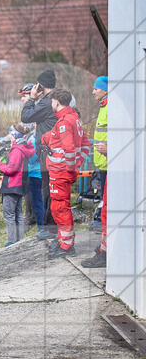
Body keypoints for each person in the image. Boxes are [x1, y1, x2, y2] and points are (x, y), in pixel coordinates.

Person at [41, 88, 91, 259]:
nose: (50, 104)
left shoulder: (64, 122)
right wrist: (77, 164)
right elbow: (85, 145)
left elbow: (69, 149)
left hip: (60, 173)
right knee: (59, 208)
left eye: (51, 101)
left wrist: (70, 167)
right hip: (63, 172)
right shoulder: (73, 119)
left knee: (60, 209)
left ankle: (67, 245)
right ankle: (63, 240)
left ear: (56, 101)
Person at [21, 69, 60, 240]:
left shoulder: (46, 103)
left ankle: (49, 227)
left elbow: (26, 116)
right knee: (54, 189)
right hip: (57, 150)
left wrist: (32, 98)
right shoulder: (62, 99)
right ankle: (51, 226)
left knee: (48, 190)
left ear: (41, 86)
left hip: (47, 151)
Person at [83, 76, 109, 268]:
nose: (93, 91)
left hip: (110, 163)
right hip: (104, 163)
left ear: (105, 89)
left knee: (107, 210)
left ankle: (106, 251)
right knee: (104, 207)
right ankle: (105, 247)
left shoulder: (111, 107)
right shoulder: (104, 107)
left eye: (96, 88)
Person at [0, 124, 34, 246]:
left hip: (12, 186)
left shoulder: (17, 149)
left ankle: (12, 241)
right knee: (18, 213)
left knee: (9, 215)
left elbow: (11, 169)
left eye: (10, 134)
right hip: (19, 185)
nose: (9, 136)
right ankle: (19, 240)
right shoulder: (23, 147)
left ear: (14, 135)